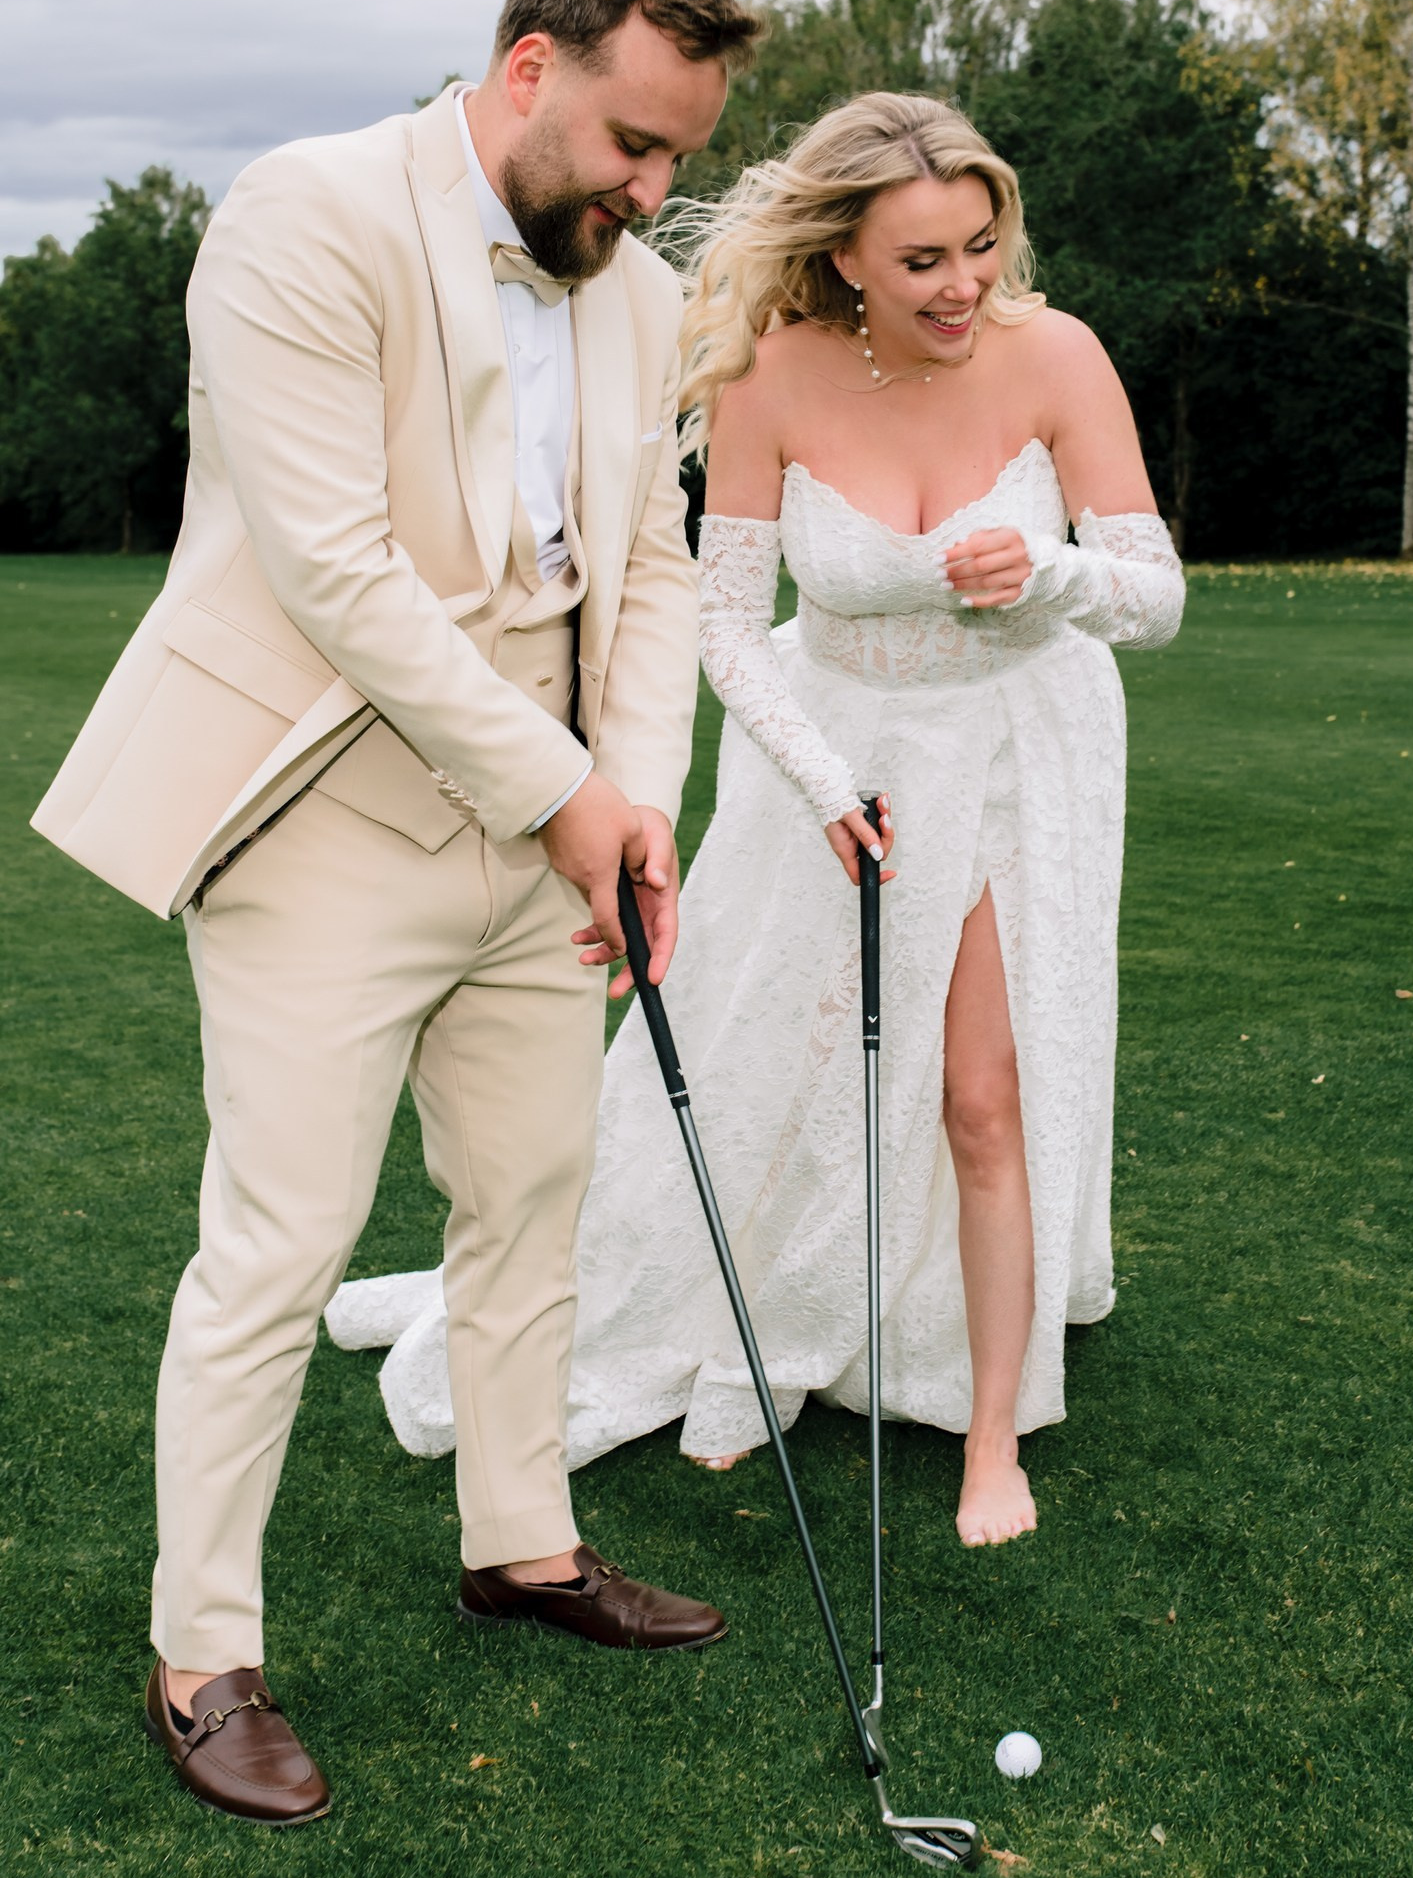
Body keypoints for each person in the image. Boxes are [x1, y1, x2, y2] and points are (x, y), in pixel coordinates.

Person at [32, 0, 762, 1824]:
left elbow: (659, 571)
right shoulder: (304, 215)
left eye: (680, 156)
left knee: (530, 1195)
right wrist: (566, 799)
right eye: (631, 141)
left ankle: (520, 1541)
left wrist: (635, 799)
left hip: (549, 826)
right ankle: (204, 1654)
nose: (652, 190)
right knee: (276, 1240)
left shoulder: (633, 287)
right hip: (324, 809)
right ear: (530, 67)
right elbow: (338, 572)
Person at [330, 92, 1185, 1550]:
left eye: (980, 245)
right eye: (923, 261)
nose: (964, 284)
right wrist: (821, 779)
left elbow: (1153, 597)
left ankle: (991, 1434)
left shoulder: (1058, 357)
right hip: (832, 759)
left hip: (1020, 751)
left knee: (984, 1093)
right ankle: (762, 1321)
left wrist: (1048, 576)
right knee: (777, 1062)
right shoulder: (771, 375)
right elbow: (724, 623)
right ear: (846, 256)